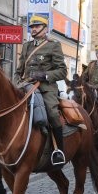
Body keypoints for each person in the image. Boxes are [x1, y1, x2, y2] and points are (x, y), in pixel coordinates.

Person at [14, 14, 68, 165]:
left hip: (45, 88)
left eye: (37, 27)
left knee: (52, 113)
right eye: (32, 27)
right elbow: (19, 69)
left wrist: (44, 75)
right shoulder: (26, 46)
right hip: (25, 85)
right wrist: (16, 81)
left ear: (45, 29)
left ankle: (59, 151)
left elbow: (62, 71)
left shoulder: (53, 45)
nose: (34, 29)